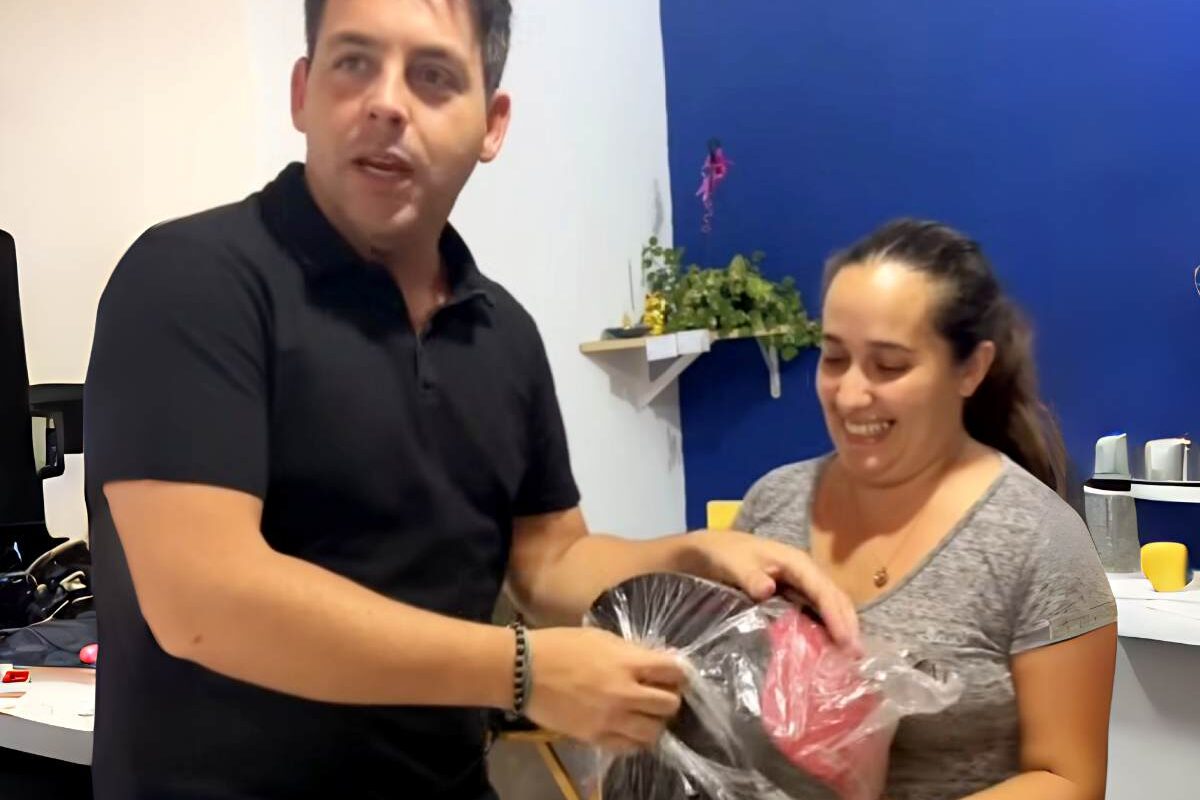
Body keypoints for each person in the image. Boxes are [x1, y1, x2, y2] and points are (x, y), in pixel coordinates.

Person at [82, 2, 858, 798]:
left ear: (492, 124)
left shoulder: (501, 333)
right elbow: (203, 600)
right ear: (302, 93)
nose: (387, 102)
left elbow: (550, 559)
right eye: (354, 63)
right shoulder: (191, 283)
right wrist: (522, 671)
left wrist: (686, 556)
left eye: (433, 76)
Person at [734, 219, 1117, 800]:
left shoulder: (1037, 541)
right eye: (833, 358)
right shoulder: (772, 505)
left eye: (889, 366)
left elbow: (1070, 781)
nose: (850, 394)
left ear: (971, 369)